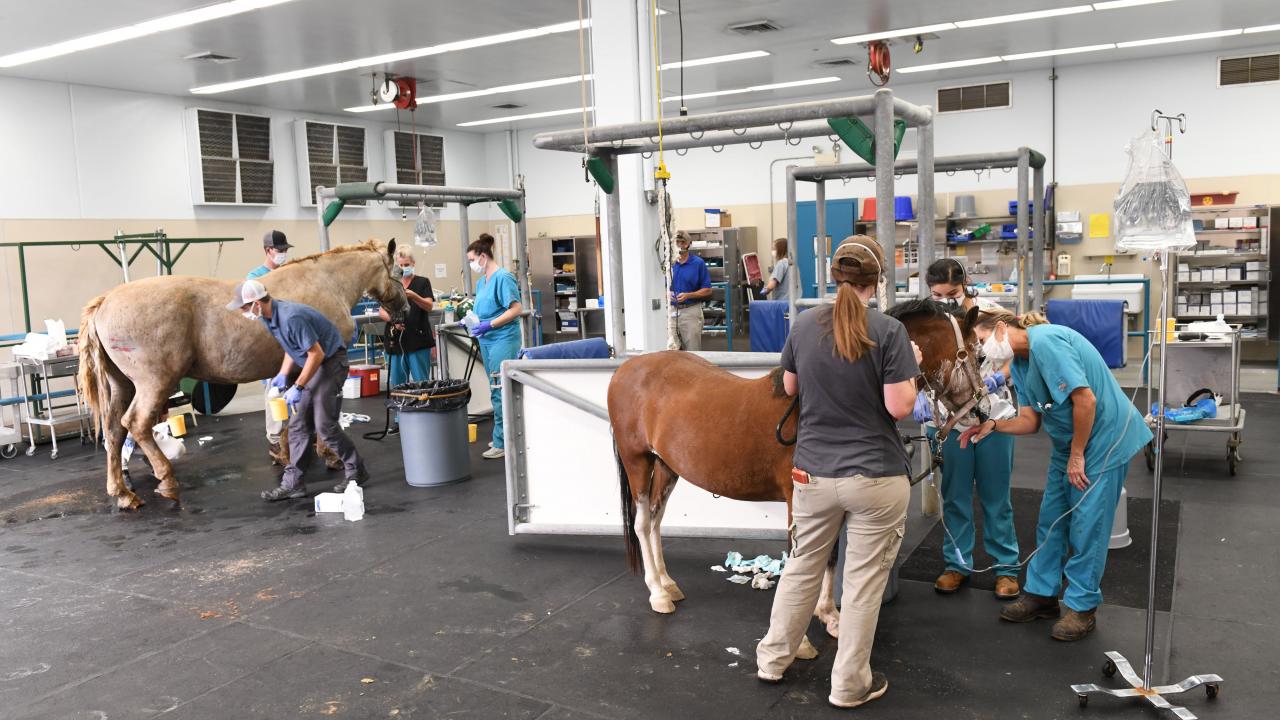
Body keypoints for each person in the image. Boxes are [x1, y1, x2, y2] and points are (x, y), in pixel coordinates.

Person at [756, 237, 922, 709]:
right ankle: (849, 685)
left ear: (834, 277)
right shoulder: (889, 331)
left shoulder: (804, 324)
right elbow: (899, 406)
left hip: (812, 473)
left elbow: (788, 385)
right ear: (877, 282)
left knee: (802, 566)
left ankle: (772, 659)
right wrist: (913, 372)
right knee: (862, 583)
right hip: (875, 476)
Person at [958, 310, 1152, 641]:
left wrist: (1077, 455)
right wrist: (993, 425)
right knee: (1051, 518)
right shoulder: (1020, 363)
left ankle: (1082, 606)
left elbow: (1086, 401)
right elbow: (1031, 422)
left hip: (1102, 439)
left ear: (1002, 328)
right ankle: (1042, 594)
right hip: (1070, 442)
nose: (982, 350)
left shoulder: (1046, 342)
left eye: (980, 340)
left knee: (1087, 525)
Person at [914, 258, 1020, 599]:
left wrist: (996, 378)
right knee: (955, 497)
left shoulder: (993, 314)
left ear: (966, 284)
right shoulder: (927, 323)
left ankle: (1006, 568)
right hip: (946, 421)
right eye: (937, 294)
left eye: (953, 293)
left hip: (994, 415)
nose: (946, 300)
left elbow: (1016, 355)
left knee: (996, 497)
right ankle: (956, 564)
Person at [228, 279, 368, 501]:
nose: (242, 312)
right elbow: (291, 348)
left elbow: (316, 354)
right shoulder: (268, 318)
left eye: (244, 307)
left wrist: (299, 385)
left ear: (256, 303)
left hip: (330, 362)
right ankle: (294, 483)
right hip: (314, 364)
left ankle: (356, 470)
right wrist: (283, 374)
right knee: (298, 425)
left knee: (325, 426)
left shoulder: (290, 317)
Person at [466, 233, 522, 460]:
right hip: (487, 339)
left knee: (501, 390)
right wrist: (470, 319)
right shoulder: (482, 282)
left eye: (471, 260)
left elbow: (515, 309)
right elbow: (482, 309)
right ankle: (502, 434)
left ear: (482, 257)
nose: (471, 264)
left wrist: (491, 324)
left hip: (503, 338)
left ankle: (503, 441)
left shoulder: (503, 277)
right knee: (495, 389)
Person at [249, 230, 294, 462]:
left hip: (291, 338)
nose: (283, 254)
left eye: (286, 250)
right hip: (270, 341)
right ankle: (275, 442)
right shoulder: (256, 278)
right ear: (268, 250)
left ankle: (300, 435)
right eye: (280, 250)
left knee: (298, 389)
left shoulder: (289, 274)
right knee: (274, 393)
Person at [381, 247, 436, 388]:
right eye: (400, 265)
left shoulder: (422, 282)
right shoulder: (391, 284)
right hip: (396, 341)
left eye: (406, 265)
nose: (403, 268)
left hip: (418, 340)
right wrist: (394, 320)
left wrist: (414, 296)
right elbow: (381, 311)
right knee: (398, 386)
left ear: (413, 263)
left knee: (421, 385)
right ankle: (401, 410)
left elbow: (429, 306)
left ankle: (424, 409)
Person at [668, 230, 711, 350]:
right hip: (672, 312)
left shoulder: (698, 263)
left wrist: (689, 295)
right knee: (672, 351)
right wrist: (667, 293)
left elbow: (707, 290)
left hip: (690, 311)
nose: (680, 245)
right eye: (677, 242)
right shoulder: (669, 264)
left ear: (688, 244)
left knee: (693, 351)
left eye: (683, 242)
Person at [760, 238, 791, 303]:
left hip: (782, 303)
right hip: (792, 302)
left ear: (780, 250)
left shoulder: (781, 264)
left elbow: (772, 285)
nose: (772, 251)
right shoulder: (791, 263)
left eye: (774, 249)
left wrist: (764, 290)